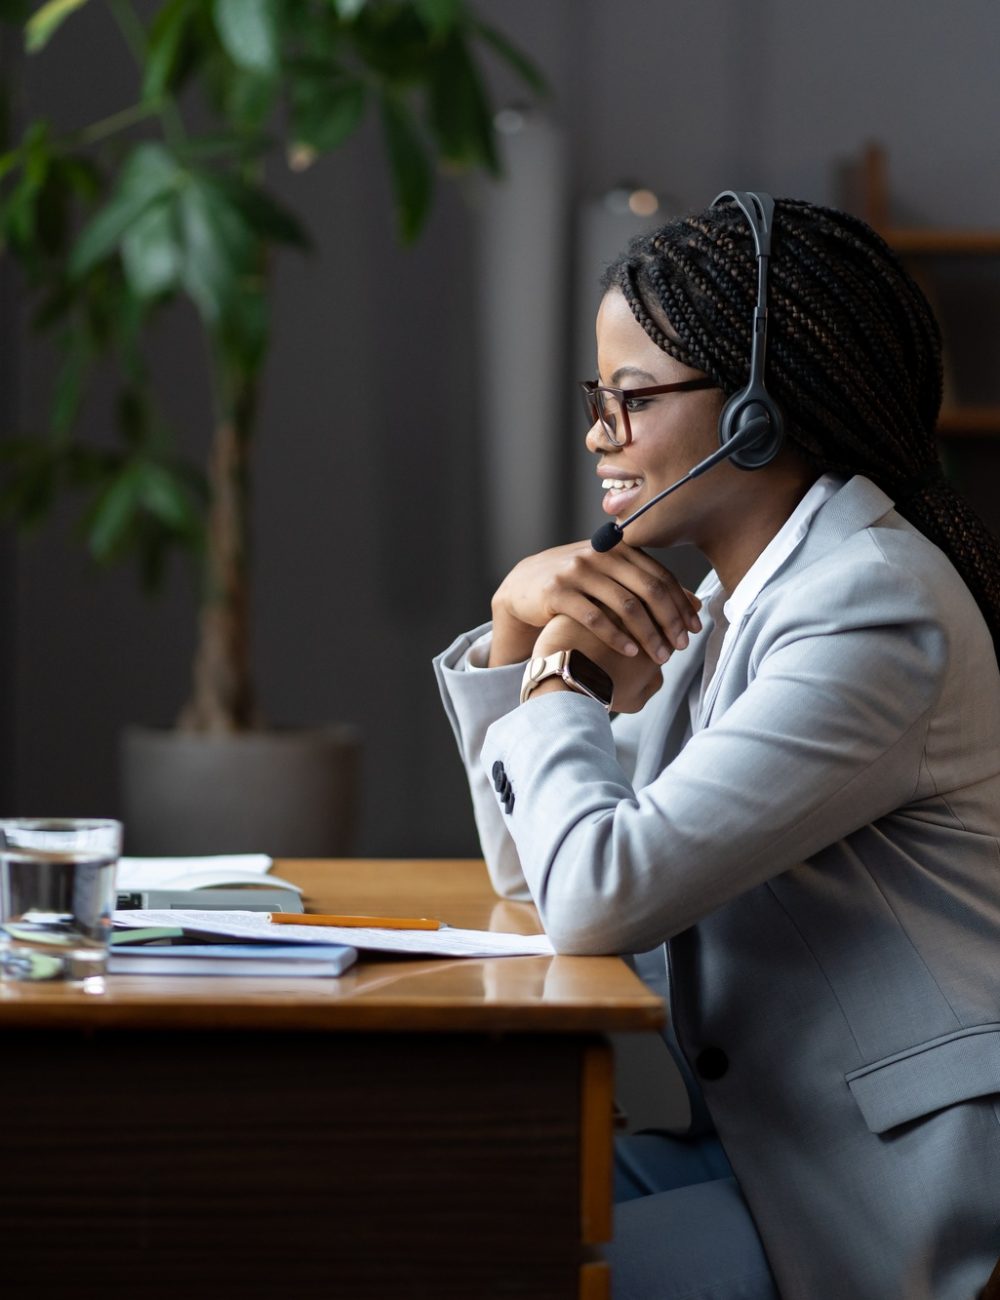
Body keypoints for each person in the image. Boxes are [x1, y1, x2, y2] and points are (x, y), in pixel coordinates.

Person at [433, 192, 1000, 1299]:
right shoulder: (738, 606)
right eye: (598, 398)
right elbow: (537, 870)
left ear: (754, 414)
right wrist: (512, 623)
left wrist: (551, 675)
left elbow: (597, 892)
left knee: (478, 1258)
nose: (600, 435)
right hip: (769, 1147)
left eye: (633, 400)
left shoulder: (867, 611)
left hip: (894, 1189)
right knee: (447, 1206)